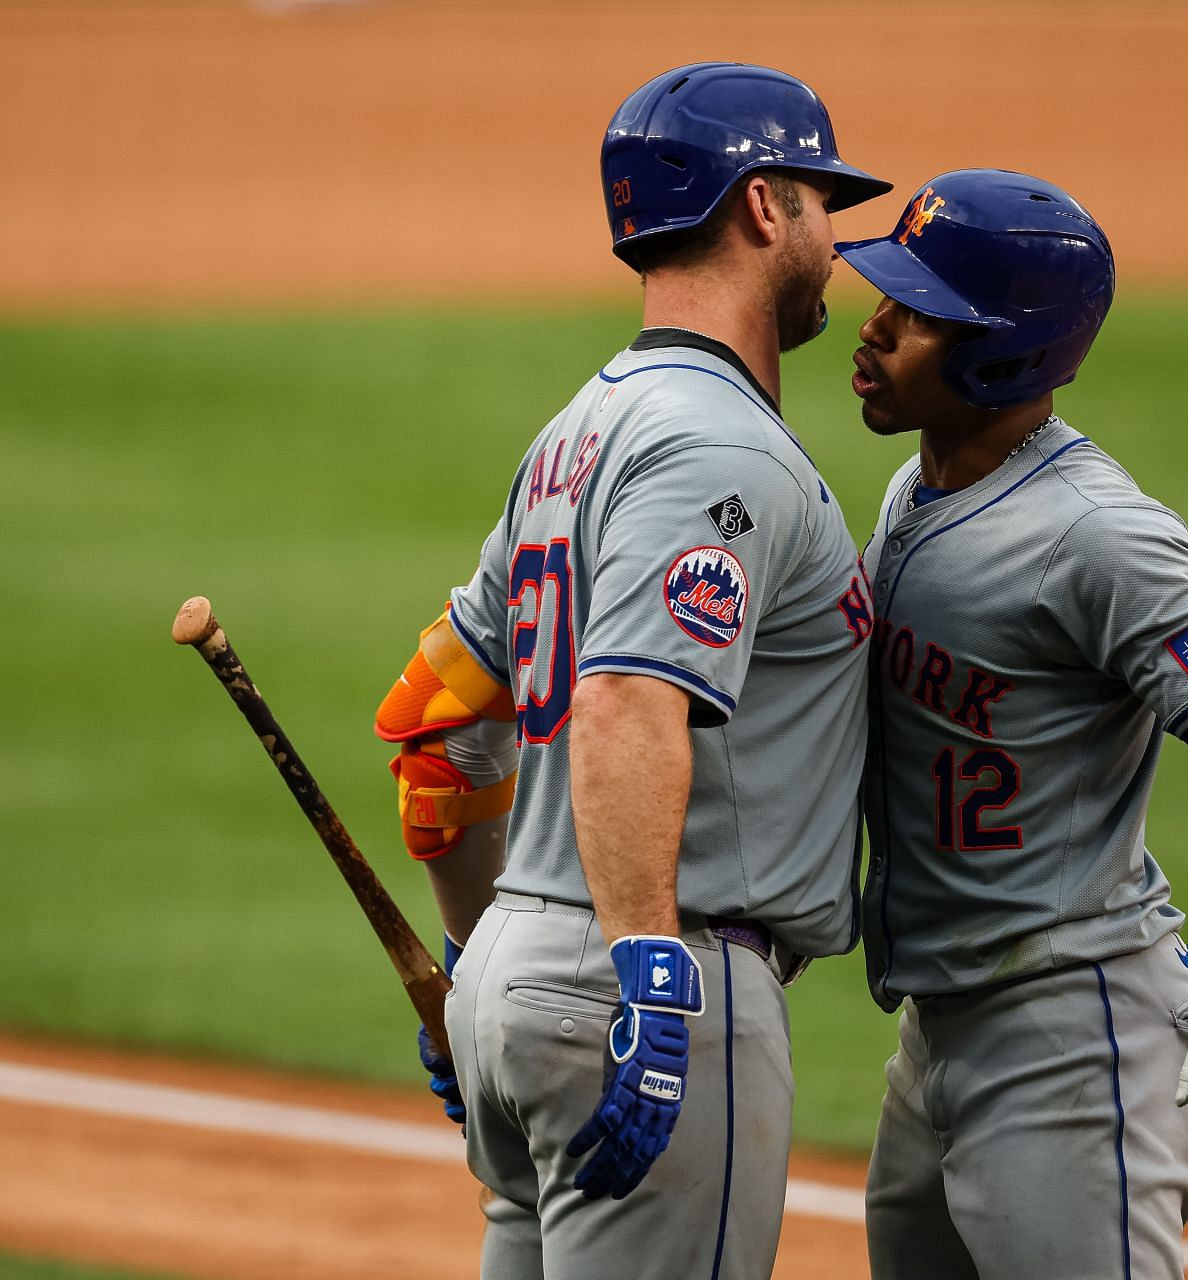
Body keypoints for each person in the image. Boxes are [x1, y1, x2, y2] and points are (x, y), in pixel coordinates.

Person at [372, 62, 889, 1280]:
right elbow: (624, 699)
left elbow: (436, 721)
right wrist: (650, 975)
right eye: (821, 199)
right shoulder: (717, 442)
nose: (837, 234)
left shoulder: (575, 430)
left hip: (519, 979)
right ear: (764, 205)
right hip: (657, 979)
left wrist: (472, 963)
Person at [836, 169, 1188, 1279]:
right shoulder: (917, 489)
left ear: (1002, 356)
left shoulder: (1098, 533)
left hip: (1073, 1038)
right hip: (938, 1033)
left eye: (916, 315)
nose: (872, 325)